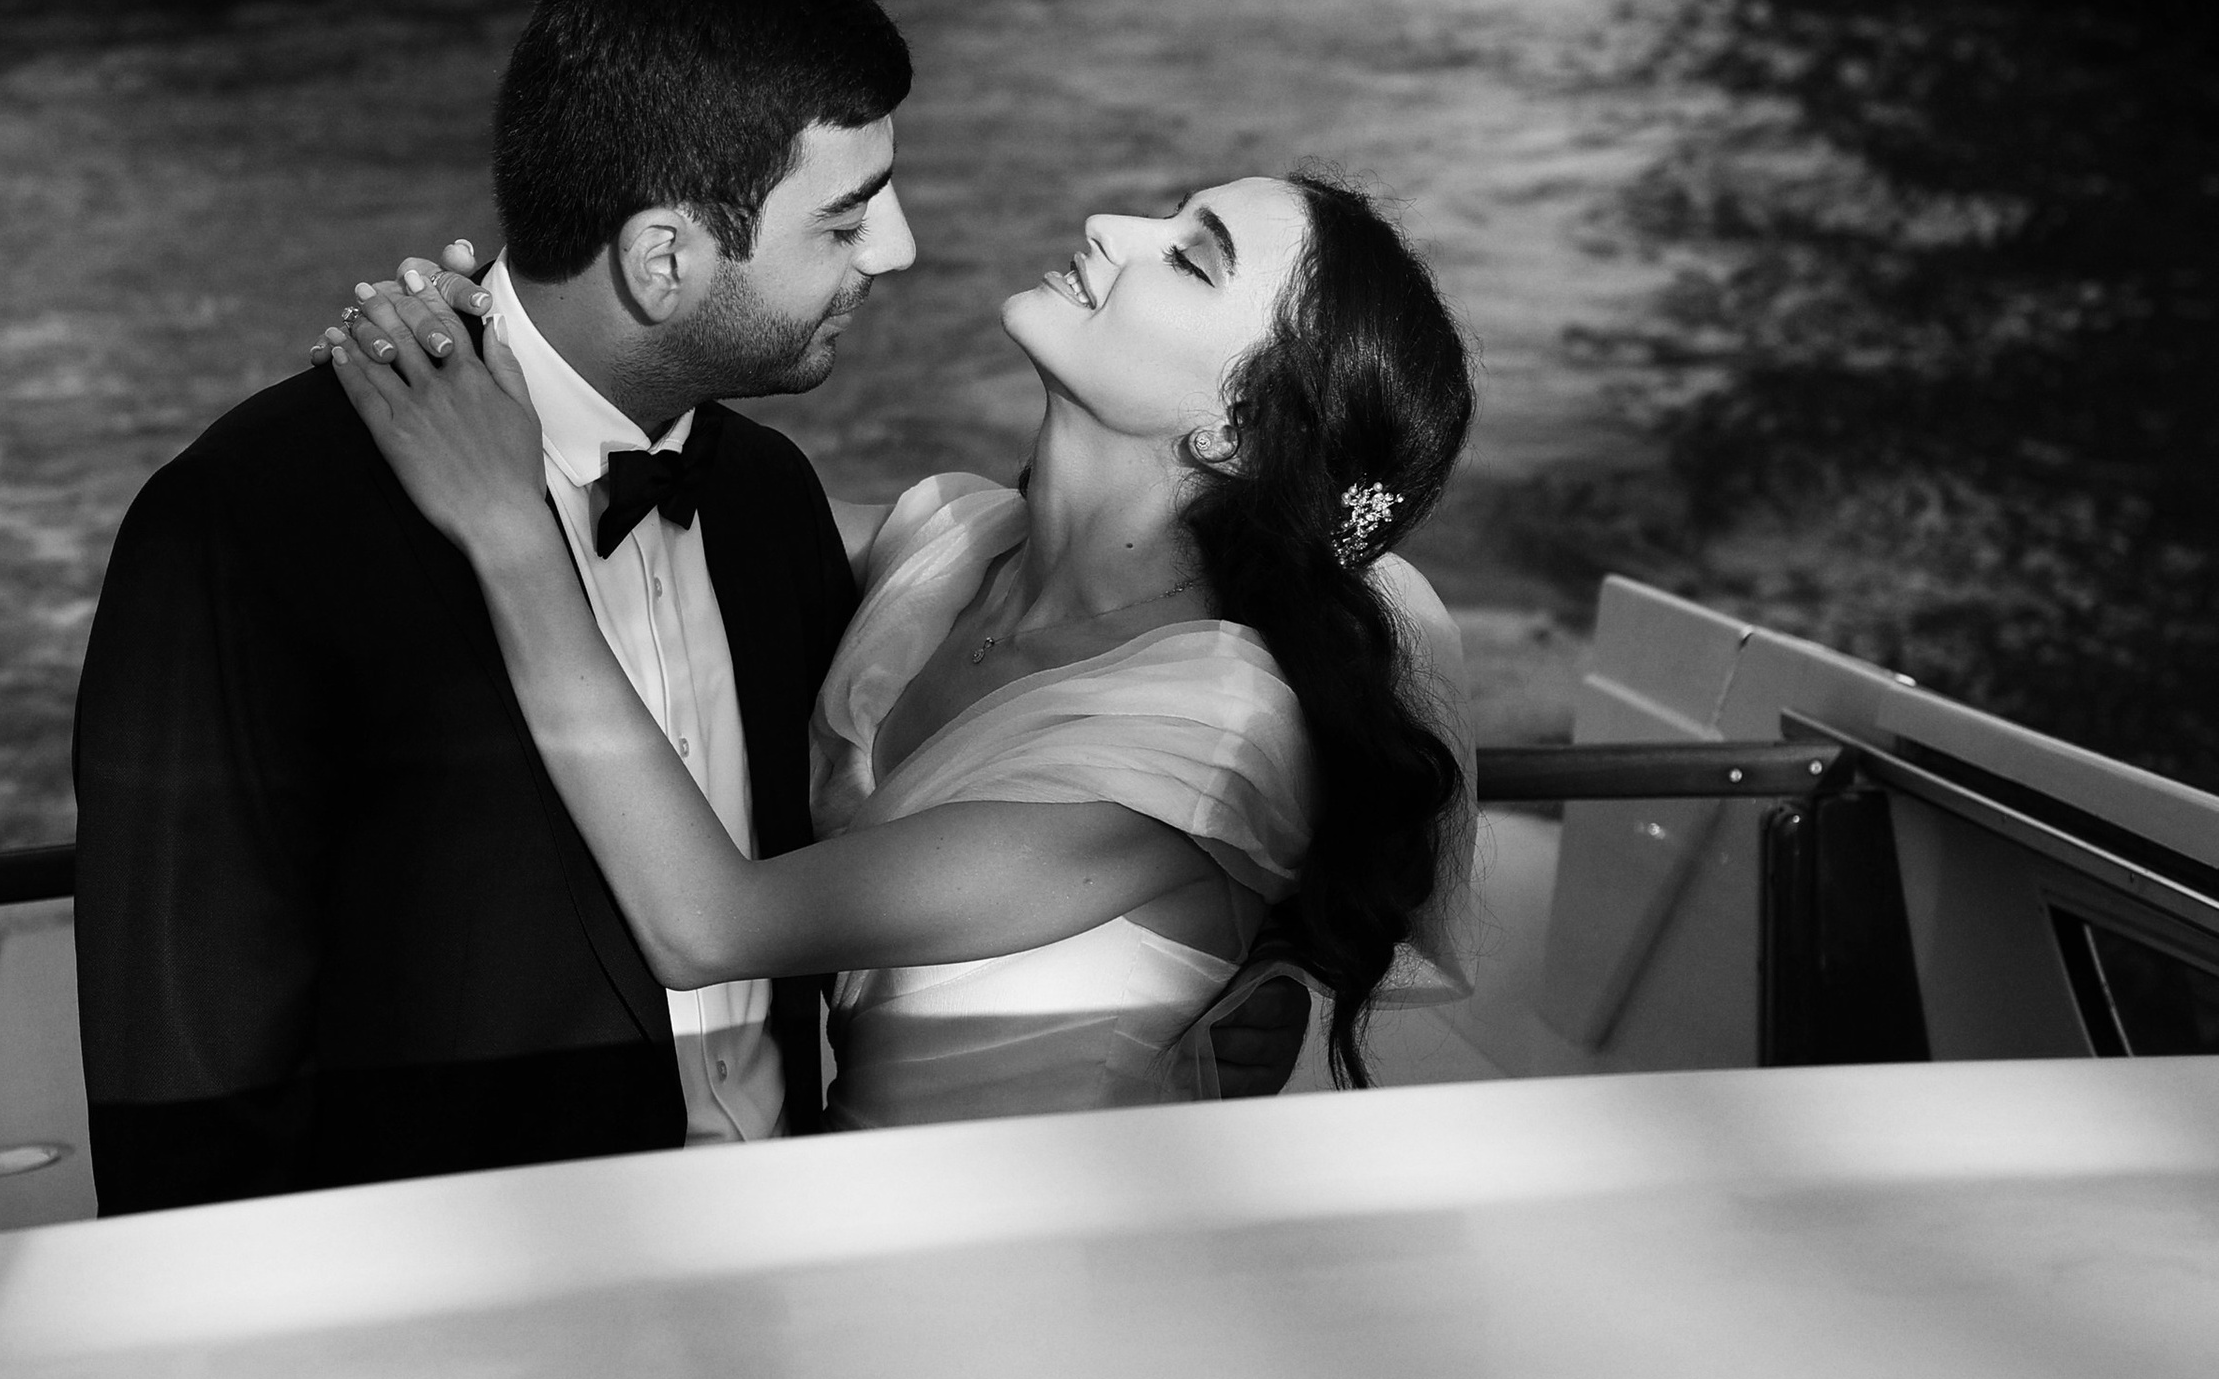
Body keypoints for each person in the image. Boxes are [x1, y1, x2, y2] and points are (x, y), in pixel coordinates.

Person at [322, 168, 1476, 1126]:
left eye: (1189, 256)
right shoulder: (946, 540)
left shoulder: (1210, 732)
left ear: (1236, 428)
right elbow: (658, 519)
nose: (1109, 227)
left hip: (1014, 1291)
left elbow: (707, 925)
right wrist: (505, 348)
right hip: (837, 1212)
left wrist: (505, 534)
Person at [72, 0, 915, 1210]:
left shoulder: (768, 500)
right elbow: (184, 1089)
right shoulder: (250, 528)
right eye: (847, 221)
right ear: (664, 258)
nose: (897, 252)